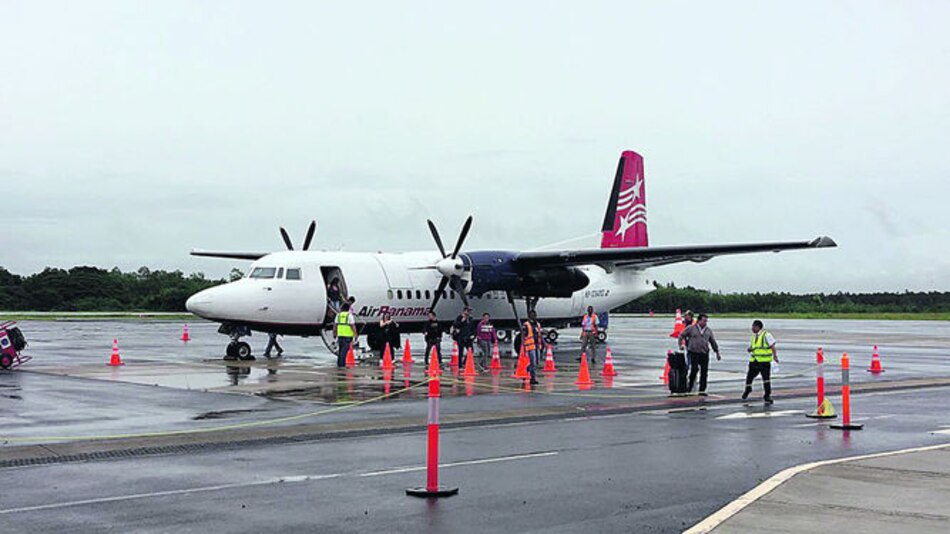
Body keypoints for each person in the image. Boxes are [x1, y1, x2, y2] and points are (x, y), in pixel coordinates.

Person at [678, 313, 721, 396]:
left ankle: (702, 390)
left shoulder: (708, 330)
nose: (705, 322)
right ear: (699, 320)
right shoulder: (691, 328)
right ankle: (689, 388)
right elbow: (681, 335)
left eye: (706, 321)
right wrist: (681, 345)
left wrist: (717, 352)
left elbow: (712, 341)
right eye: (704, 321)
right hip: (693, 352)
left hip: (704, 353)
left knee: (704, 372)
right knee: (694, 370)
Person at [743, 320, 777, 404]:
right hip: (754, 360)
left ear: (758, 327)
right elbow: (754, 346)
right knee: (749, 377)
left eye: (753, 327)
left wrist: (775, 356)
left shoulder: (766, 335)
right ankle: (748, 389)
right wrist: (750, 349)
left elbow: (772, 346)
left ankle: (767, 395)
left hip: (764, 361)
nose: (752, 328)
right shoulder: (754, 336)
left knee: (766, 379)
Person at [334, 302, 356, 368]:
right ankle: (342, 365)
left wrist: (334, 333)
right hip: (347, 336)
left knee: (340, 350)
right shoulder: (349, 316)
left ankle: (339, 363)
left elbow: (335, 325)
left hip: (340, 335)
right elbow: (352, 326)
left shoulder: (338, 315)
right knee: (344, 351)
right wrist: (355, 334)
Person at [521, 311, 541, 384]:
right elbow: (523, 335)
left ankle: (526, 370)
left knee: (536, 362)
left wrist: (543, 343)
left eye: (535, 315)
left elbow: (539, 335)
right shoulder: (526, 325)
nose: (534, 317)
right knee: (533, 363)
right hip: (530, 346)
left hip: (537, 345)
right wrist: (523, 345)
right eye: (532, 315)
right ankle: (533, 378)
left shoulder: (537, 324)